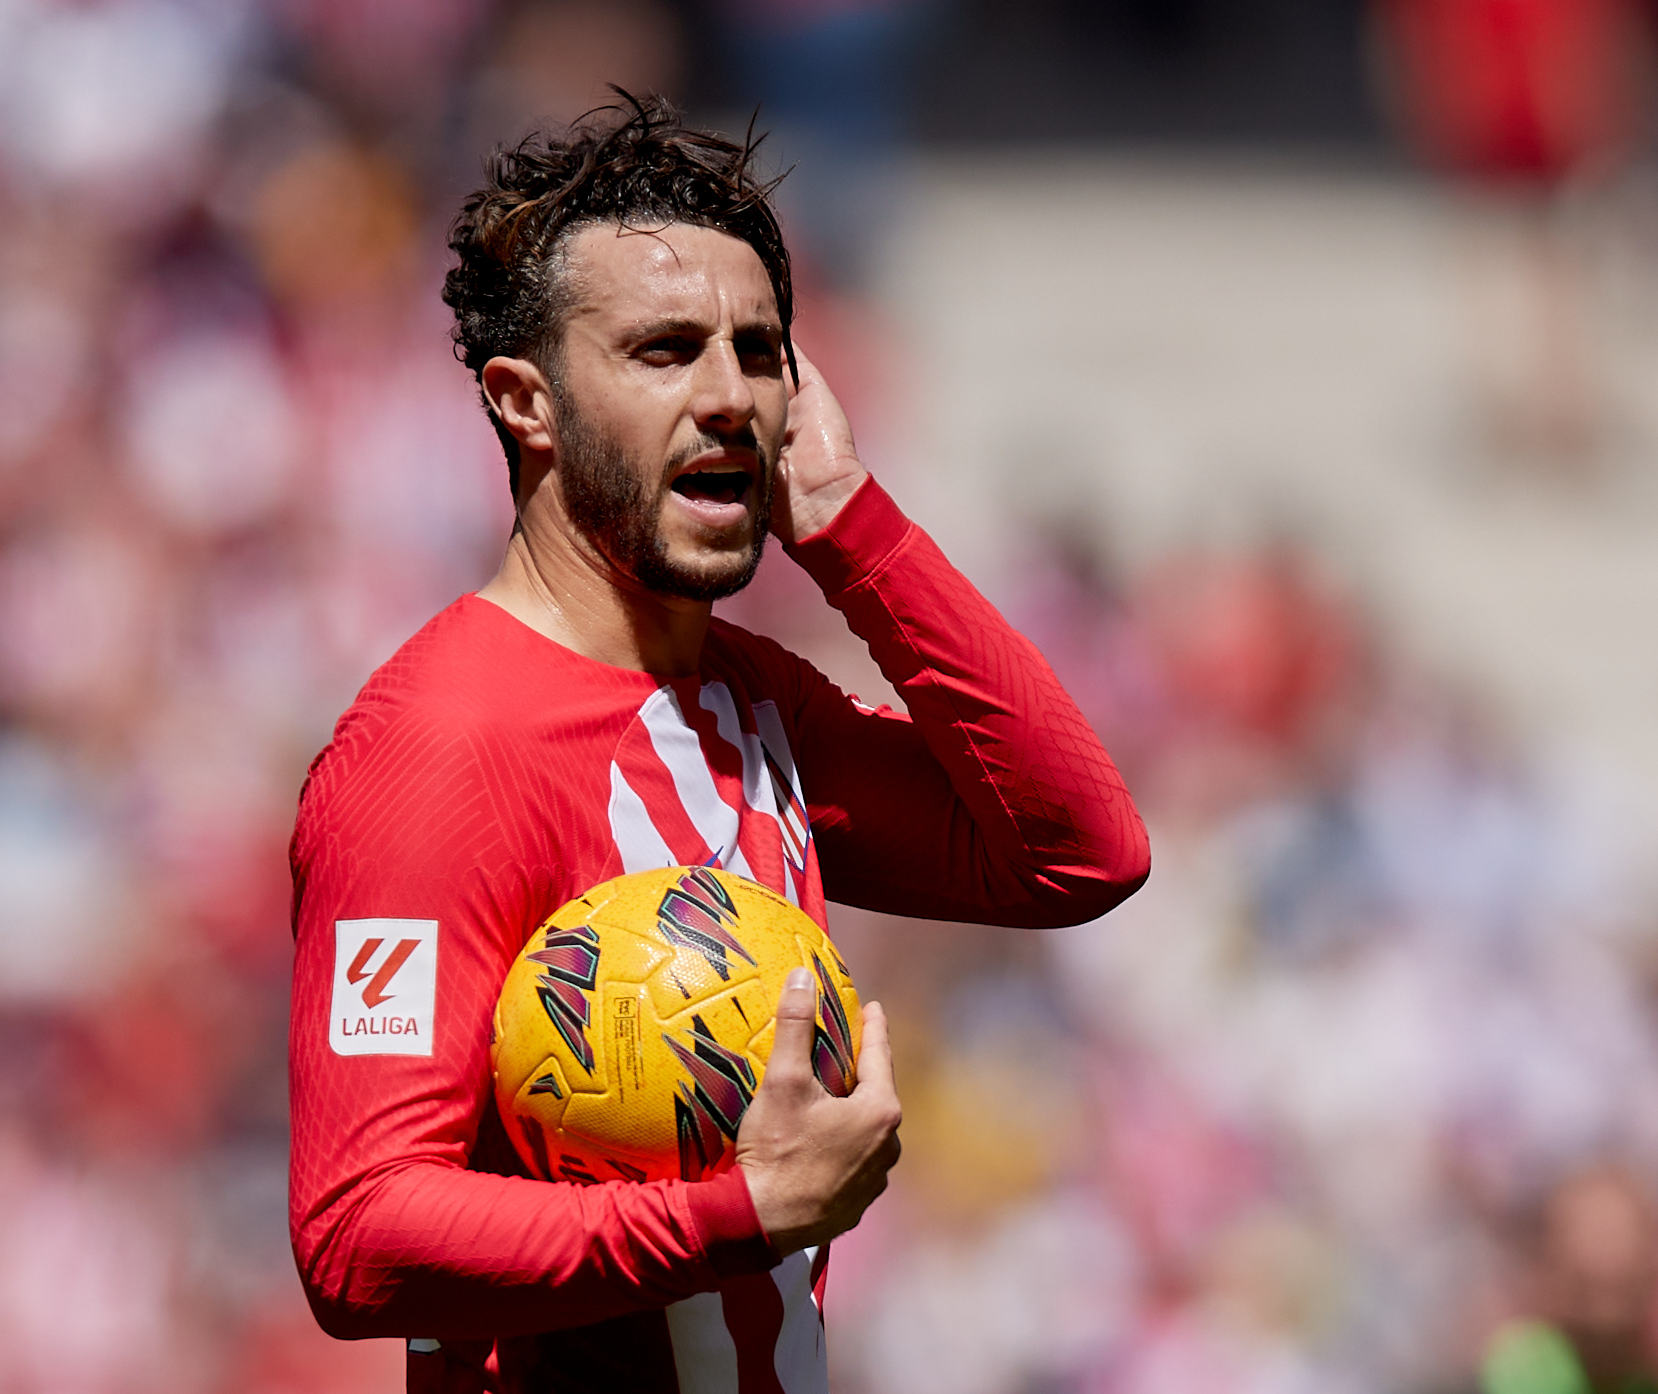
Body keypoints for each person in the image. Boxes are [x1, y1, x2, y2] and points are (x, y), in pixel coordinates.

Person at [287, 94, 1149, 1394]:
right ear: (527, 403)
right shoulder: (439, 749)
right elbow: (356, 1236)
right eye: (664, 349)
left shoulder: (749, 702)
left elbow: (1079, 852)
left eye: (759, 350)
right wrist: (740, 1212)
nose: (731, 395)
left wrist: (860, 533)